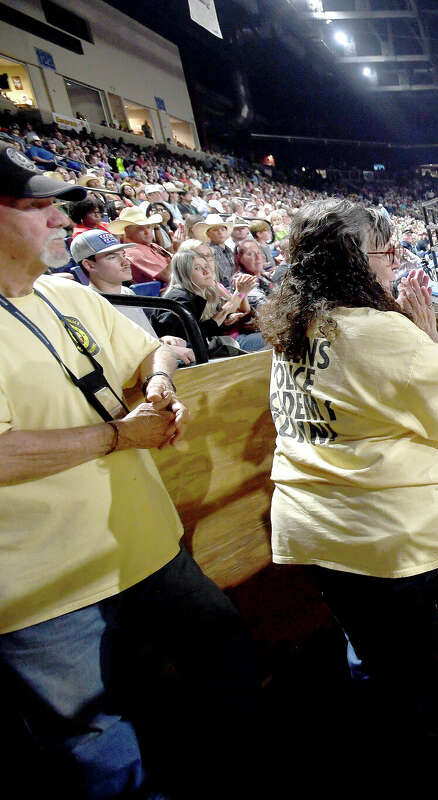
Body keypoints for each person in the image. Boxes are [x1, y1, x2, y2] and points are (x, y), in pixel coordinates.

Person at [0, 147, 254, 797]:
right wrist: (119, 434)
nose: (61, 219)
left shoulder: (63, 294)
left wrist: (160, 387)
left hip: (145, 548)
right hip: (43, 591)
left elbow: (154, 351)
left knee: (222, 658)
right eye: (36, 207)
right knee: (100, 746)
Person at [257, 198, 438, 780]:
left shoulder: (290, 325)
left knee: (377, 657)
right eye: (384, 248)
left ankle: (410, 760)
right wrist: (427, 334)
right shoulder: (379, 330)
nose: (394, 257)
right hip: (402, 526)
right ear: (351, 258)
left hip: (319, 526)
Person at [71, 228, 195, 364]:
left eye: (123, 255)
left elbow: (139, 340)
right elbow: (115, 357)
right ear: (89, 265)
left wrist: (160, 341)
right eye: (112, 257)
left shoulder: (127, 292)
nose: (125, 262)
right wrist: (164, 350)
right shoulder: (90, 305)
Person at [153, 246, 265, 354]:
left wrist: (225, 321)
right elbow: (192, 339)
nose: (206, 272)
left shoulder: (203, 291)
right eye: (197, 268)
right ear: (183, 274)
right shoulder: (178, 300)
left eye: (206, 267)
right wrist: (238, 295)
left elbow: (209, 327)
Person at [109, 205, 172, 284]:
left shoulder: (153, 246)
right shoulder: (132, 253)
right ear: (127, 230)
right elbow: (169, 276)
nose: (147, 232)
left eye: (149, 227)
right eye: (141, 228)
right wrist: (179, 250)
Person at [193, 213, 235, 287]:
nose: (220, 232)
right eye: (215, 230)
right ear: (208, 234)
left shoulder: (228, 250)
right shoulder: (209, 251)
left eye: (223, 229)